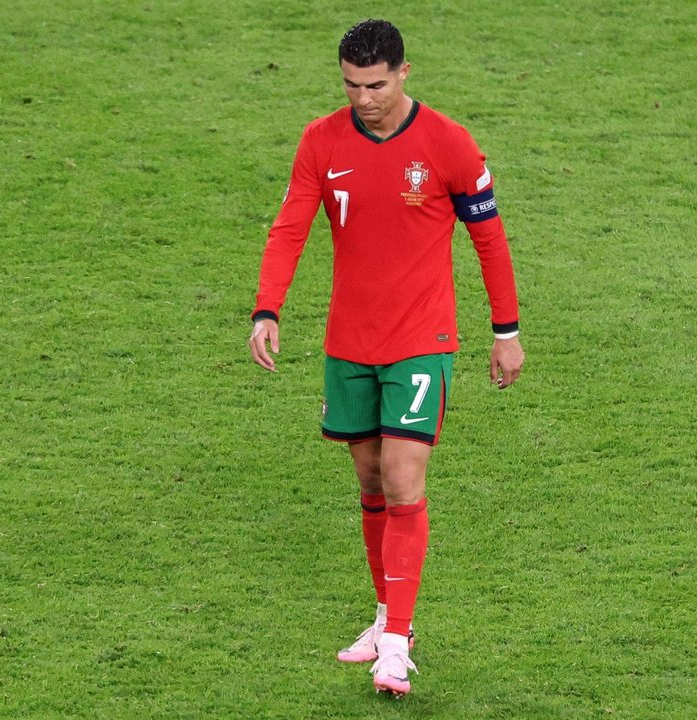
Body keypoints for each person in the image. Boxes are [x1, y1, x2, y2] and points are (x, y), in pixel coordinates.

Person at [248, 18, 524, 697]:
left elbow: (489, 238)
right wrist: (267, 307)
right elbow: (291, 226)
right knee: (371, 481)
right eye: (350, 85)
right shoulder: (321, 140)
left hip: (422, 341)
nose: (362, 98)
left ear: (404, 73)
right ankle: (385, 616)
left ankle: (396, 646)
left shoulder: (448, 144)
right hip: (350, 342)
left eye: (374, 85)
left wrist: (506, 329)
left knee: (403, 478)